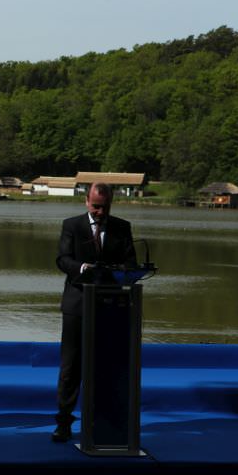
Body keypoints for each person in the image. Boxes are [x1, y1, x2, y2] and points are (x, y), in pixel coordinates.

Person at [52, 182, 137, 442]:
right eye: (96, 206)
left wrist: (122, 270)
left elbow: (131, 263)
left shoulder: (122, 227)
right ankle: (64, 422)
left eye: (105, 207)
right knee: (71, 367)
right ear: (86, 202)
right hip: (78, 304)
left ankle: (105, 420)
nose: (100, 212)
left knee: (107, 365)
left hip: (110, 305)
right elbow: (62, 259)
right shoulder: (72, 225)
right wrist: (82, 267)